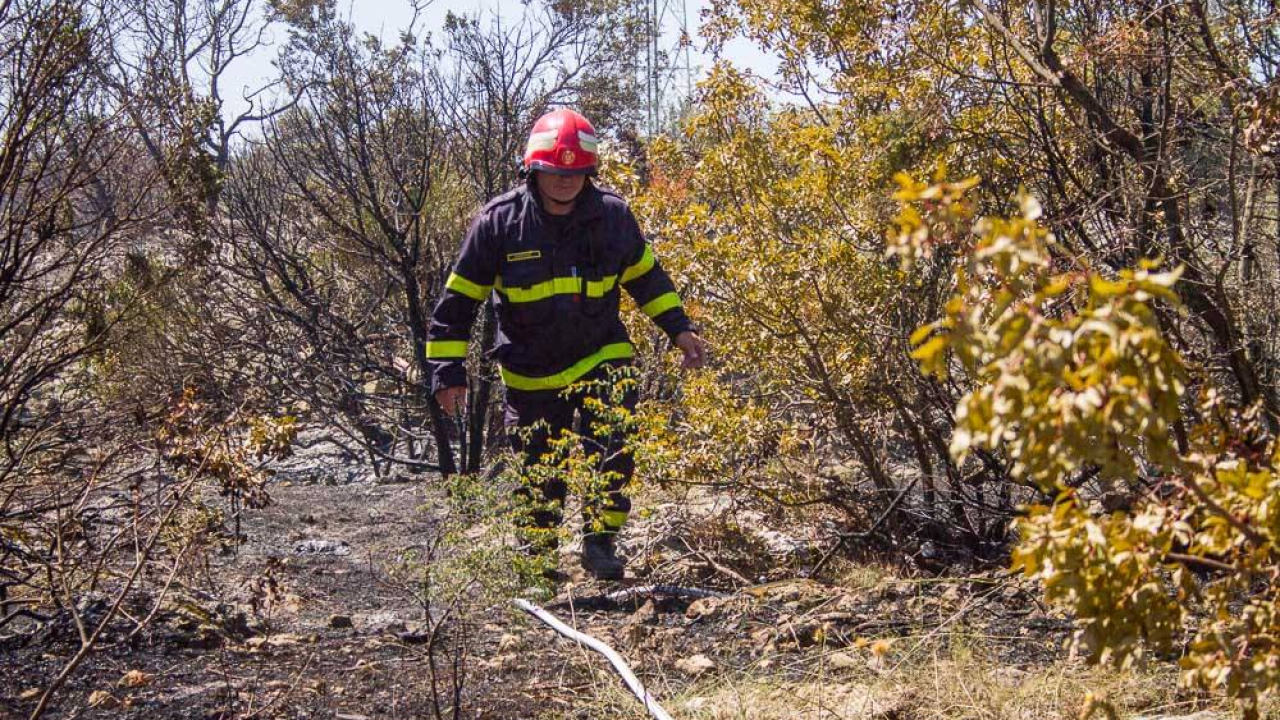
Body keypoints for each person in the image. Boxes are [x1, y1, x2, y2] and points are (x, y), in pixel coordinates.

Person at [425, 108, 707, 580]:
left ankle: (600, 544)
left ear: (589, 172)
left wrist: (679, 328)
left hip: (602, 355)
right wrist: (447, 373)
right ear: (533, 169)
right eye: (555, 170)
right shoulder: (499, 223)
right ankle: (537, 560)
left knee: (613, 447)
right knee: (539, 467)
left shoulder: (612, 217)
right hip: (531, 372)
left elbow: (646, 278)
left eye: (575, 172)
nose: (565, 181)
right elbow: (457, 305)